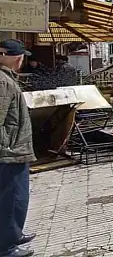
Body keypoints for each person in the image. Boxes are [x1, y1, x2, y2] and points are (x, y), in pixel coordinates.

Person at [0, 40, 36, 257]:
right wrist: (6, 146)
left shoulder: (7, 79)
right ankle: (6, 247)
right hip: (9, 154)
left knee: (16, 198)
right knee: (12, 200)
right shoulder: (2, 82)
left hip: (14, 151)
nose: (22, 60)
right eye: (20, 56)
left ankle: (13, 233)